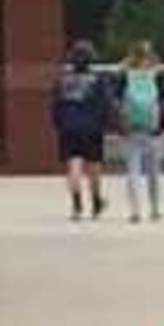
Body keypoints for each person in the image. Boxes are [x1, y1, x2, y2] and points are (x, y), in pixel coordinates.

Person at [51, 43, 113, 220]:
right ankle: (96, 201)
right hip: (92, 128)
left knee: (73, 165)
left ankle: (76, 204)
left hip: (69, 128)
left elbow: (55, 106)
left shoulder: (62, 81)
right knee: (94, 166)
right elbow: (105, 105)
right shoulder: (97, 80)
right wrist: (105, 123)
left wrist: (59, 123)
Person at [116, 42, 164, 222]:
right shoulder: (156, 75)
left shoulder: (125, 76)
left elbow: (116, 102)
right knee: (153, 171)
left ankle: (135, 211)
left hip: (131, 128)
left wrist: (121, 121)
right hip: (153, 128)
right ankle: (155, 209)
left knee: (133, 171)